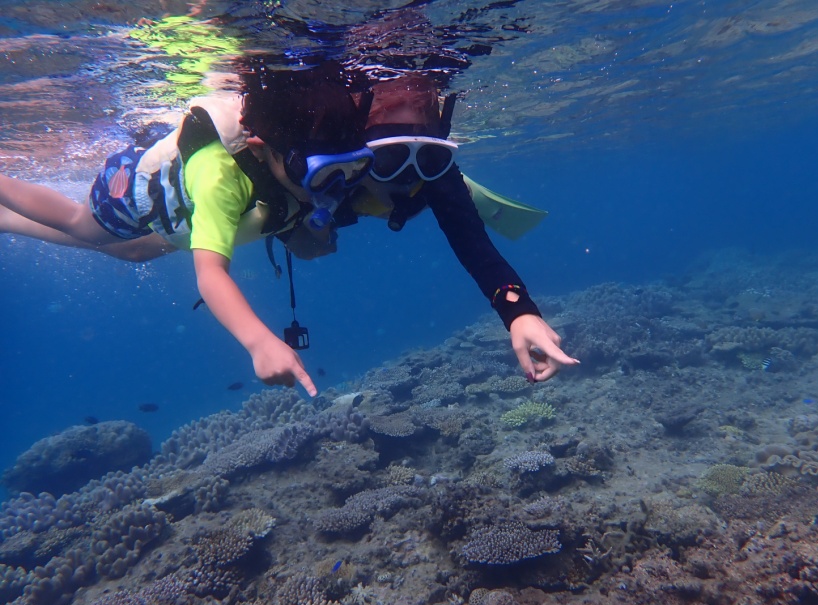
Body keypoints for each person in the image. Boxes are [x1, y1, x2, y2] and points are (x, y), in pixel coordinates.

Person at [0, 63, 376, 397]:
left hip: (184, 217)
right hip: (133, 191)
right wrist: (259, 342)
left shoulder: (300, 152)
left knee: (135, 252)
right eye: (319, 173)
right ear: (264, 148)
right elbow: (210, 274)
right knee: (82, 226)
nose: (334, 186)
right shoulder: (219, 180)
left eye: (351, 168)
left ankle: (5, 221)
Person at [297, 74, 580, 383]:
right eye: (391, 156)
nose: (409, 173)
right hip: (339, 203)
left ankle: (457, 183)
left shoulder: (434, 178)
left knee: (445, 190)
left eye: (430, 155)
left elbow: (473, 244)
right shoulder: (329, 170)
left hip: (425, 195)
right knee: (309, 247)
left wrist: (520, 312)